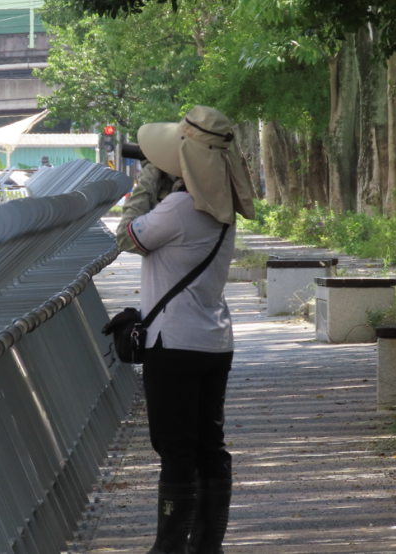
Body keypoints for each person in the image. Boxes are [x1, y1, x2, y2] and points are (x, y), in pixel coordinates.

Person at [115, 106, 256, 554]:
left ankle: (170, 545)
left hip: (172, 344)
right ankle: (205, 545)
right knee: (208, 444)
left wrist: (145, 182)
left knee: (175, 447)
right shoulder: (223, 209)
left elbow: (126, 236)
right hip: (214, 342)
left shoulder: (176, 208)